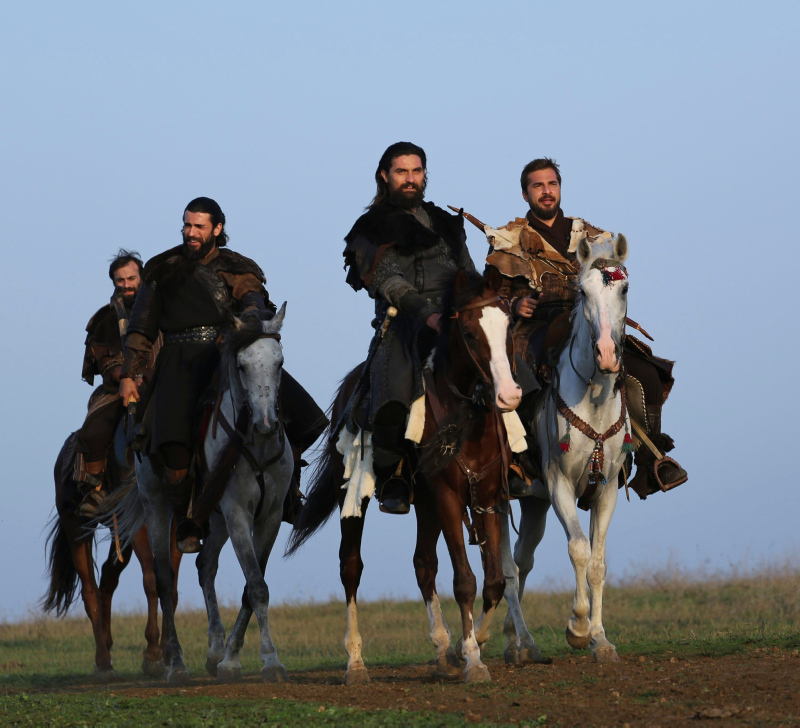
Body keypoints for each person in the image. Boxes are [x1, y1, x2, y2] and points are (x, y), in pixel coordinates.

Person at [120, 197, 327, 552]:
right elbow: (141, 327)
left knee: (307, 417)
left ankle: (285, 491)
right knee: (172, 441)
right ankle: (190, 517)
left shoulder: (237, 266)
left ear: (217, 229)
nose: (191, 233)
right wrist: (128, 375)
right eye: (187, 225)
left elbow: (253, 301)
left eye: (199, 226)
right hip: (178, 360)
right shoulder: (162, 268)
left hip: (227, 354)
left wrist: (245, 322)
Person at [484, 158, 687, 501]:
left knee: (648, 375)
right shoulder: (508, 239)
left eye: (552, 184)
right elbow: (488, 298)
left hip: (590, 321)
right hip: (535, 328)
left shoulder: (593, 236)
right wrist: (514, 304)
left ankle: (650, 459)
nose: (546, 192)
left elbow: (612, 284)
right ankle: (518, 462)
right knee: (518, 380)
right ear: (525, 193)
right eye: (538, 185)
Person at [342, 142, 476, 514]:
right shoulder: (370, 228)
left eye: (416, 172)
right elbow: (390, 282)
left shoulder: (447, 223)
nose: (410, 179)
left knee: (506, 367)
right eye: (402, 172)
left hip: (454, 317)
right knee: (395, 397)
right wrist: (426, 313)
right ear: (385, 176)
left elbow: (468, 273)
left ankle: (519, 458)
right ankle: (393, 476)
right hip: (402, 323)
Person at [76, 250, 150, 516]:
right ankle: (94, 491)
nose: (127, 285)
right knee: (94, 430)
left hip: (156, 386)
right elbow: (102, 360)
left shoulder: (159, 313)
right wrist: (125, 376)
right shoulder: (104, 319)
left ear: (141, 277)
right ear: (114, 282)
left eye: (131, 278)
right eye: (121, 280)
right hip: (116, 389)